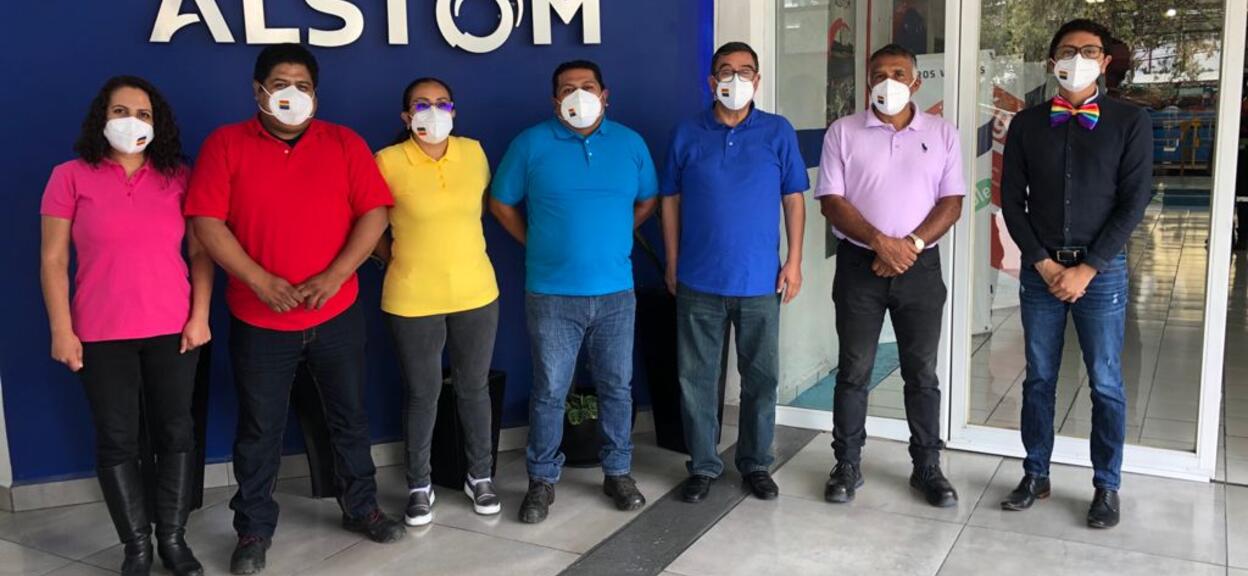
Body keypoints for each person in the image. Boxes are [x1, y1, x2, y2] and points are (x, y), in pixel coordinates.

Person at [185, 44, 404, 574]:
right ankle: (253, 529)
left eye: (303, 85)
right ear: (257, 90)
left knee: (349, 417)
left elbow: (374, 213)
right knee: (259, 429)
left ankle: (361, 507)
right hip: (260, 319)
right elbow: (207, 224)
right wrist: (259, 281)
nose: (292, 94)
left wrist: (335, 275)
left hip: (337, 313)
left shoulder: (344, 142)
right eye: (280, 82)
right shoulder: (226, 145)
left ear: (315, 93)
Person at [40, 75, 213, 576]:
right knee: (117, 439)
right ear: (102, 118)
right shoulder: (69, 176)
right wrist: (61, 328)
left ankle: (173, 540)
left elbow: (201, 251)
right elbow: (52, 260)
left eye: (143, 114)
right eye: (120, 111)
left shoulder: (179, 176)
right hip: (98, 331)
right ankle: (136, 546)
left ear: (157, 126)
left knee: (176, 432)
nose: (131, 122)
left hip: (174, 328)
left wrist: (200, 315)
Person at [999, 19, 1154, 530]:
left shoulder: (1129, 123)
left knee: (1106, 382)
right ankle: (1035, 473)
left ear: (1105, 62)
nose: (1079, 58)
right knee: (1039, 378)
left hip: (1100, 273)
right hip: (1041, 270)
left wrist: (1088, 267)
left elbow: (1133, 203)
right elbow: (1012, 203)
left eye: (1090, 50)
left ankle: (1106, 486)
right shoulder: (1026, 124)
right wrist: (1043, 263)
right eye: (1068, 50)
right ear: (1052, 61)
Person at [490, 60, 659, 524]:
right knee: (549, 391)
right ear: (554, 100)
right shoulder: (530, 144)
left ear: (606, 95)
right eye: (568, 88)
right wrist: (535, 240)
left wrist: (622, 232)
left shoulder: (630, 143)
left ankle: (618, 471)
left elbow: (648, 199)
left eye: (587, 87)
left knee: (617, 388)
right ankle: (542, 481)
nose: (578, 95)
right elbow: (500, 202)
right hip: (551, 294)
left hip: (616, 294)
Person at [817, 44, 966, 508]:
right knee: (854, 370)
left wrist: (909, 246)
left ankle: (927, 468)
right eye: (878, 73)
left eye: (898, 73)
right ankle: (847, 464)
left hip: (920, 268)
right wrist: (882, 243)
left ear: (916, 81)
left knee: (921, 373)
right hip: (861, 266)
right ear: (867, 82)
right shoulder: (843, 132)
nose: (888, 81)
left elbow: (952, 201)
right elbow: (831, 200)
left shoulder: (942, 133)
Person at [660, 42, 808, 503]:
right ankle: (703, 464)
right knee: (696, 380)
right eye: (727, 71)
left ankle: (756, 463)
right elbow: (670, 199)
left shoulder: (777, 131)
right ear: (711, 81)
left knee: (761, 380)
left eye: (746, 71)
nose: (736, 79)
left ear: (758, 81)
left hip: (760, 282)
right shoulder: (687, 133)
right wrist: (671, 260)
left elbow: (793, 198)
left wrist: (795, 260)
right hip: (698, 280)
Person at [373, 77, 501, 526]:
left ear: (454, 110)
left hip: (476, 292)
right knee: (422, 393)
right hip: (412, 297)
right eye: (421, 104)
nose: (432, 111)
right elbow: (370, 229)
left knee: (474, 388)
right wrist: (402, 261)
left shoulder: (474, 152)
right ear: (406, 117)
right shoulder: (386, 161)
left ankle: (480, 476)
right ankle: (418, 484)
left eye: (442, 103)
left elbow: (478, 210)